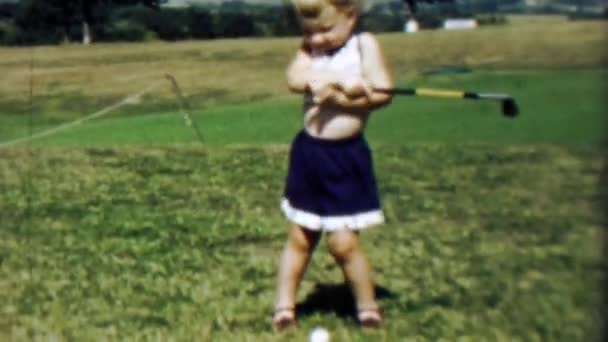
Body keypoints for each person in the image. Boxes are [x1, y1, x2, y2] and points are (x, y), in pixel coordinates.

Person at [273, 0, 393, 330]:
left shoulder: (364, 45)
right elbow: (294, 77)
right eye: (309, 32)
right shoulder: (311, 50)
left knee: (343, 243)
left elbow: (384, 92)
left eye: (325, 30)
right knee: (301, 237)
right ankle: (284, 307)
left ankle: (367, 306)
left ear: (351, 15)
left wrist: (346, 96)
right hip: (310, 156)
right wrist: (317, 81)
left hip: (345, 159)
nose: (317, 39)